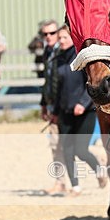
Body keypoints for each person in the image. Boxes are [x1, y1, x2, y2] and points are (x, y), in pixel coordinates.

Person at [53, 25, 107, 196]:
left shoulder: (82, 57)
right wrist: (53, 111)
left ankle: (99, 170)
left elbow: (91, 83)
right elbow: (56, 88)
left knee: (80, 150)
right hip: (65, 112)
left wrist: (83, 104)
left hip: (86, 111)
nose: (61, 40)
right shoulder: (58, 59)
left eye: (64, 37)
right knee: (67, 149)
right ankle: (75, 186)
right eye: (59, 38)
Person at [39, 22, 66, 194]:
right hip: (52, 105)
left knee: (75, 146)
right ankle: (60, 182)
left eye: (52, 33)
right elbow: (48, 81)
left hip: (64, 107)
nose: (48, 36)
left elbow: (63, 83)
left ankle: (99, 162)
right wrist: (44, 104)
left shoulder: (63, 52)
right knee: (55, 146)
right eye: (45, 34)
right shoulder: (48, 53)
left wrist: (56, 109)